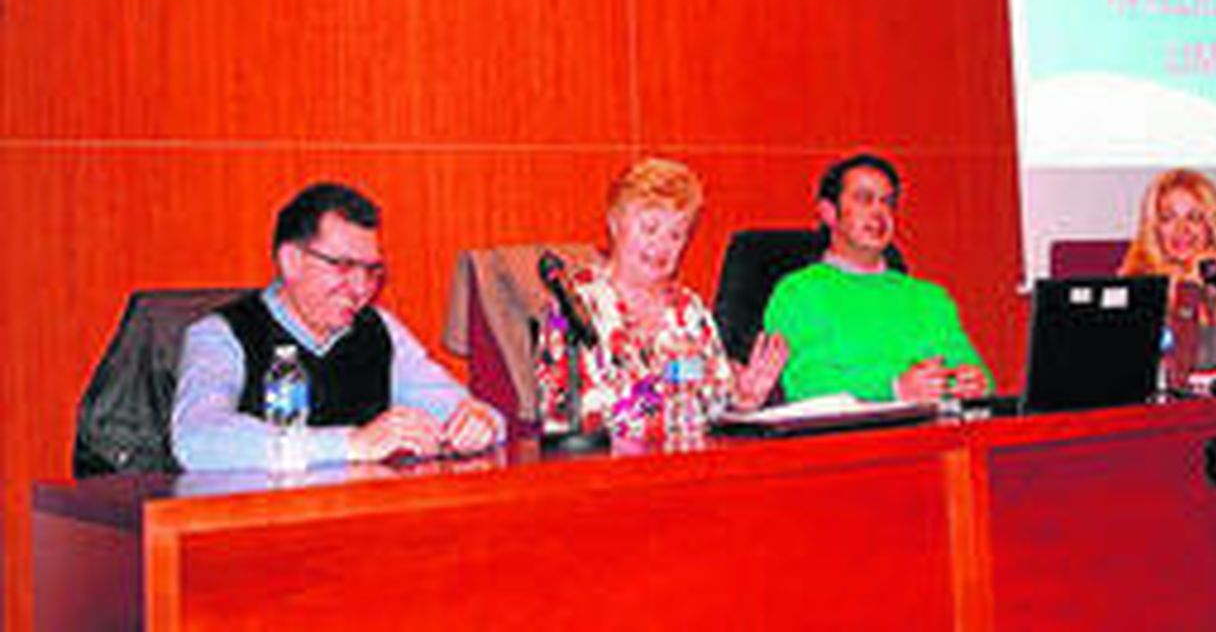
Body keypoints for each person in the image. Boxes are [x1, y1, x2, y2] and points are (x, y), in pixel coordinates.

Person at [171, 182, 503, 470]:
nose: (360, 288)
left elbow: (470, 412)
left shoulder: (380, 330)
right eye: (343, 266)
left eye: (371, 271)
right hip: (257, 516)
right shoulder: (221, 334)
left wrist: (479, 423)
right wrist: (350, 445)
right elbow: (197, 440)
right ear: (291, 261)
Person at [534, 158, 787, 438]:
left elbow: (715, 409)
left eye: (676, 235)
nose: (661, 246)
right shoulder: (575, 305)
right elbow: (557, 417)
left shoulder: (688, 311)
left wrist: (742, 400)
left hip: (688, 458)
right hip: (605, 462)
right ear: (615, 224)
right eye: (650, 228)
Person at [763, 153, 990, 404]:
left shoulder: (930, 297)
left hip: (936, 425)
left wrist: (973, 382)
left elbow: (973, 369)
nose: (879, 213)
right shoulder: (799, 293)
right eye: (864, 200)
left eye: (887, 202)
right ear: (829, 213)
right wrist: (892, 389)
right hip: (849, 428)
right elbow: (804, 385)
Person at [1118, 167, 1216, 365]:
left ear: (1213, 228)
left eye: (1194, 218)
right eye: (1168, 218)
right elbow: (1178, 369)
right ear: (1154, 228)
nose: (1181, 229)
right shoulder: (1138, 289)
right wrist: (1189, 289)